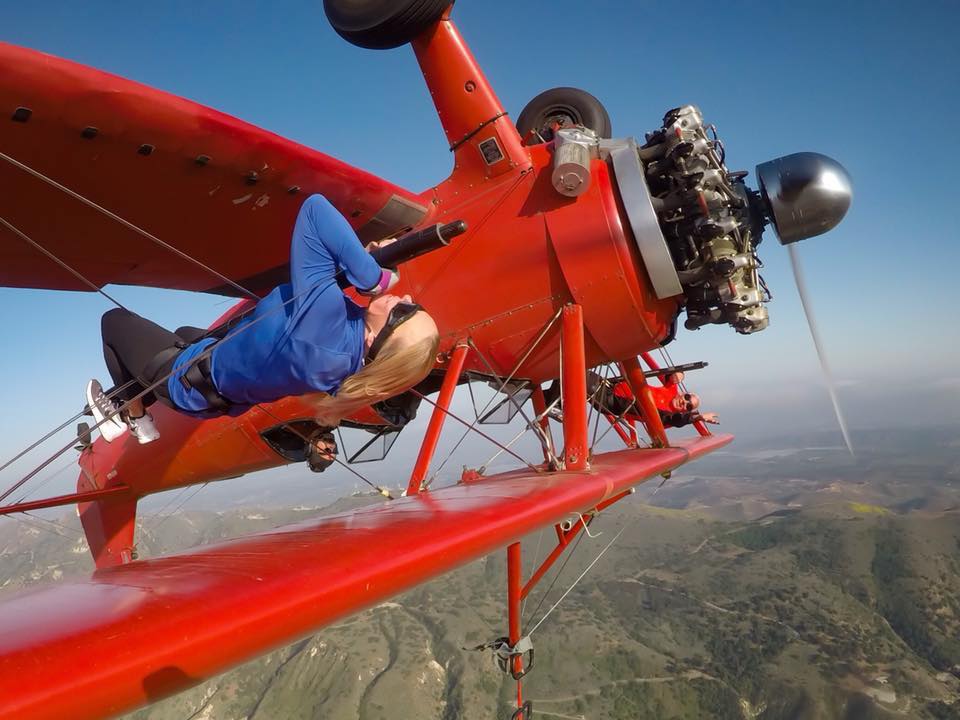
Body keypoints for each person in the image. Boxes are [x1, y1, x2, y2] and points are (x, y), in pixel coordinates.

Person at [85, 194, 440, 447]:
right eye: (416, 306)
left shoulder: (322, 328)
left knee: (114, 321)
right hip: (217, 392)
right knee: (184, 332)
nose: (407, 299)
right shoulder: (346, 361)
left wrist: (373, 278)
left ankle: (132, 412)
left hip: (185, 384)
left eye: (404, 314)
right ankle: (142, 399)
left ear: (374, 341)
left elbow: (315, 209)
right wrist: (364, 267)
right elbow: (326, 296)